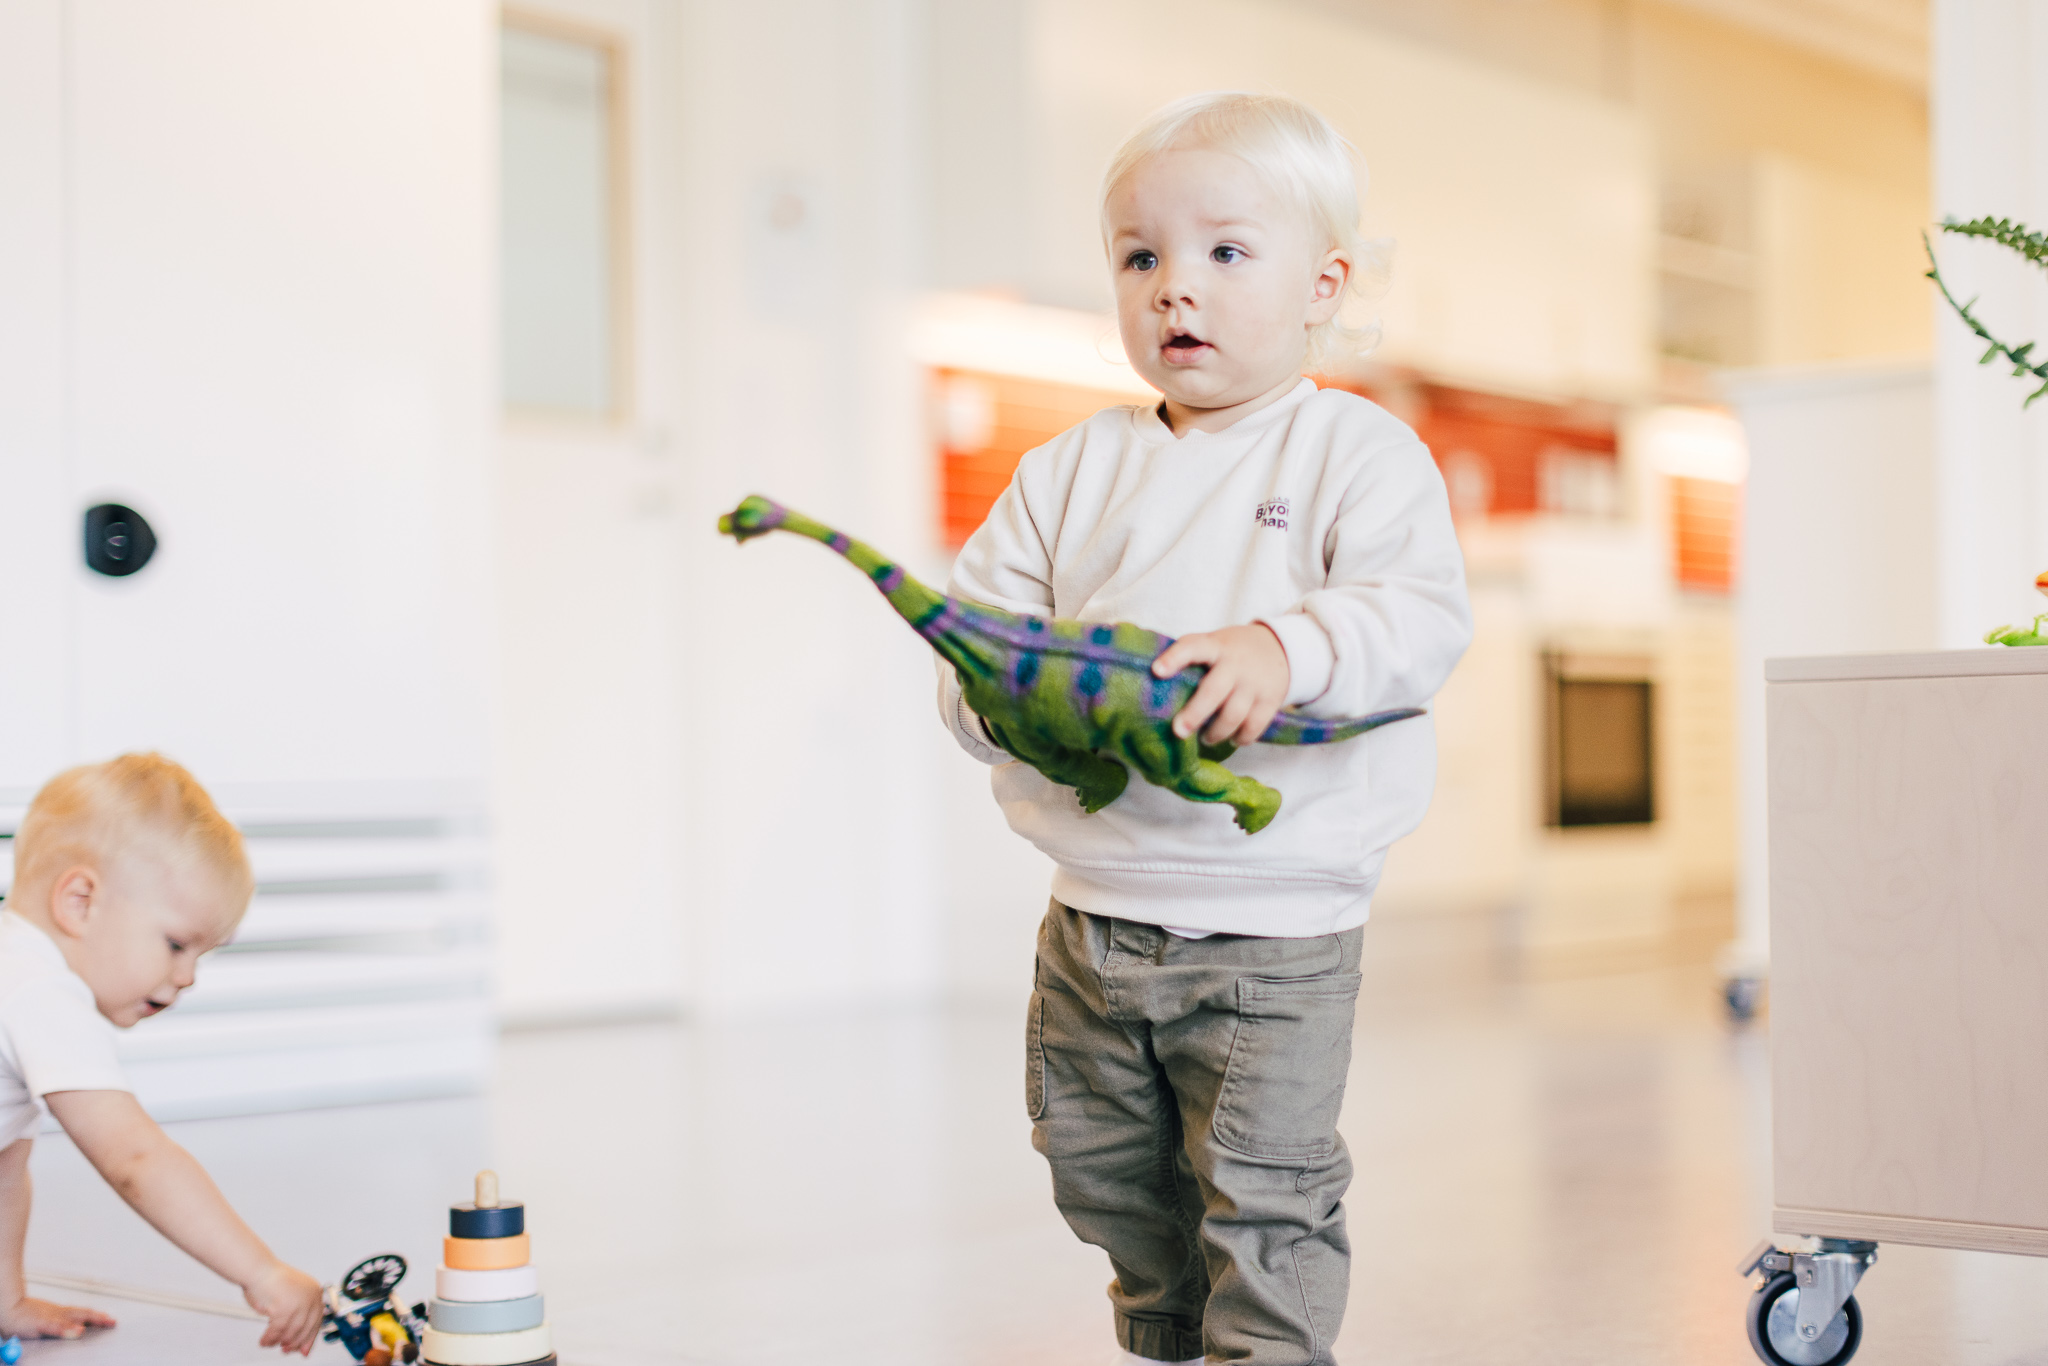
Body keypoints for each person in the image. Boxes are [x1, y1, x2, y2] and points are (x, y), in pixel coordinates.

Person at [938, 92, 1473, 1366]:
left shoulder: (1355, 451)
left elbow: (1416, 619)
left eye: (1225, 252)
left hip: (1272, 932)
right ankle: (1165, 1339)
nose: (1175, 288)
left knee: (1262, 1196)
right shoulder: (1067, 470)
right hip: (1091, 920)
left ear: (1320, 286)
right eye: (1140, 256)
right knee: (1100, 1173)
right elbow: (976, 633)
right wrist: (997, 697)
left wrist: (1287, 645)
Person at [0, 753, 324, 1353]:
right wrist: (261, 1272)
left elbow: (5, 1170)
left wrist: (5, 1300)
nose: (188, 976)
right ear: (79, 903)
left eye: (201, 955)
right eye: (176, 944)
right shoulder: (40, 991)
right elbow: (137, 1159)